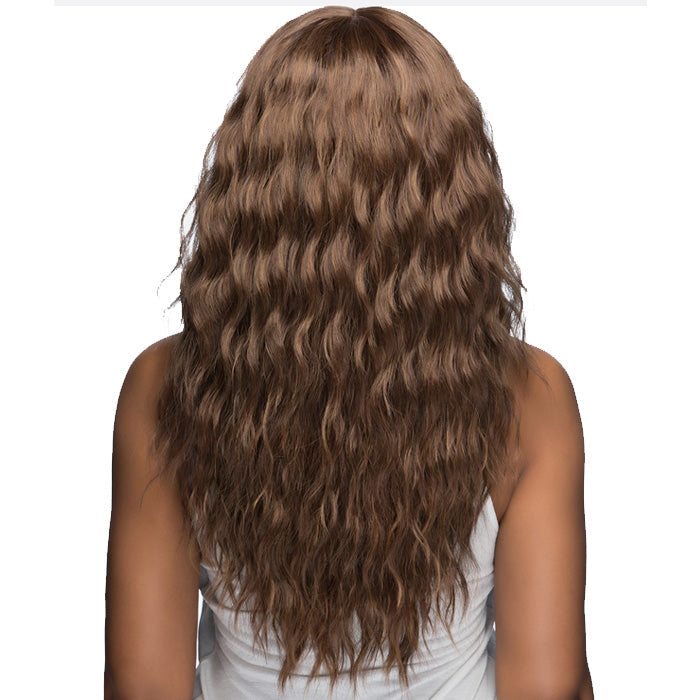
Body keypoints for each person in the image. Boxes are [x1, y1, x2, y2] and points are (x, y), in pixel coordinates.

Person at [104, 6, 593, 699]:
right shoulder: (532, 396)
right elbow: (549, 686)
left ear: (248, 189)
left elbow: (140, 685)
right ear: (457, 197)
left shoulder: (163, 386)